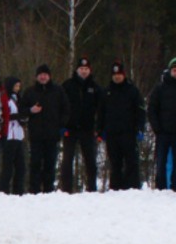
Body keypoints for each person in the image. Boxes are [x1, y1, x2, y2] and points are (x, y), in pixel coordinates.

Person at [97, 62, 146, 191]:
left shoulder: (132, 91)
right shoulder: (106, 92)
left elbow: (140, 111)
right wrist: (100, 130)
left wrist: (140, 128)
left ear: (123, 75)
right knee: (115, 163)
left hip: (129, 133)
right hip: (112, 133)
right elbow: (101, 112)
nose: (117, 77)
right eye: (114, 75)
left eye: (119, 74)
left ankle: (133, 188)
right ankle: (115, 188)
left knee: (131, 162)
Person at [60, 56, 102, 192]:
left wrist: (98, 127)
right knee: (67, 161)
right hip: (70, 129)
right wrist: (62, 125)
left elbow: (101, 109)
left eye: (86, 69)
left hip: (88, 129)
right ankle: (66, 190)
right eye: (81, 68)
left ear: (89, 70)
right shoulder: (67, 85)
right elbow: (60, 106)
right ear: (77, 70)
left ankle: (92, 189)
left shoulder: (95, 87)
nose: (84, 71)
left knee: (91, 161)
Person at [23, 64, 67, 192]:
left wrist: (61, 125)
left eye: (45, 74)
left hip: (52, 135)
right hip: (36, 135)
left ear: (49, 76)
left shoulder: (58, 91)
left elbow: (66, 109)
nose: (43, 77)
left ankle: (48, 190)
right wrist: (31, 110)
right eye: (41, 74)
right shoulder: (30, 92)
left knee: (50, 163)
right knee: (35, 163)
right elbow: (21, 110)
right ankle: (34, 190)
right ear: (37, 76)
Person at [149, 59, 176, 191]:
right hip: (163, 132)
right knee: (161, 162)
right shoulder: (160, 88)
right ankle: (160, 187)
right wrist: (156, 128)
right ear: (170, 70)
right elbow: (152, 109)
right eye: (174, 70)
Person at [0, 76, 26, 195]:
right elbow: (4, 116)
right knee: (7, 165)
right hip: (9, 134)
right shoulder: (5, 99)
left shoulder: (19, 99)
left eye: (19, 86)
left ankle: (18, 190)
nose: (17, 89)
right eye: (15, 86)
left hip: (18, 134)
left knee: (20, 166)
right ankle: (4, 190)